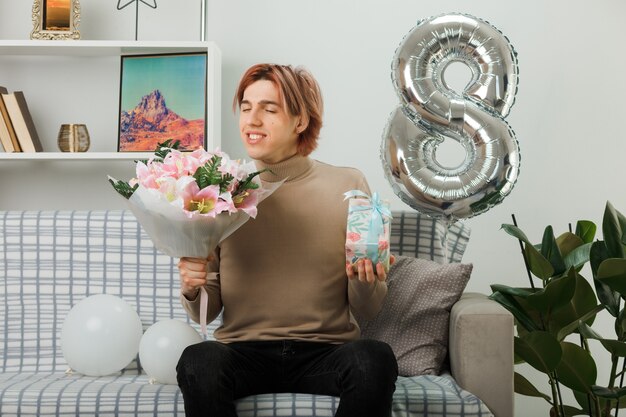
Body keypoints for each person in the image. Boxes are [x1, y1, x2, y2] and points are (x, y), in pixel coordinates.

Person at [175, 63, 398, 417]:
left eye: (269, 109)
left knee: (374, 358)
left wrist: (366, 282)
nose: (252, 119)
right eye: (246, 107)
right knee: (198, 360)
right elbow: (210, 306)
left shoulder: (347, 185)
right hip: (243, 353)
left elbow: (368, 309)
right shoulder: (220, 189)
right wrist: (192, 286)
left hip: (326, 352)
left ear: (301, 121)